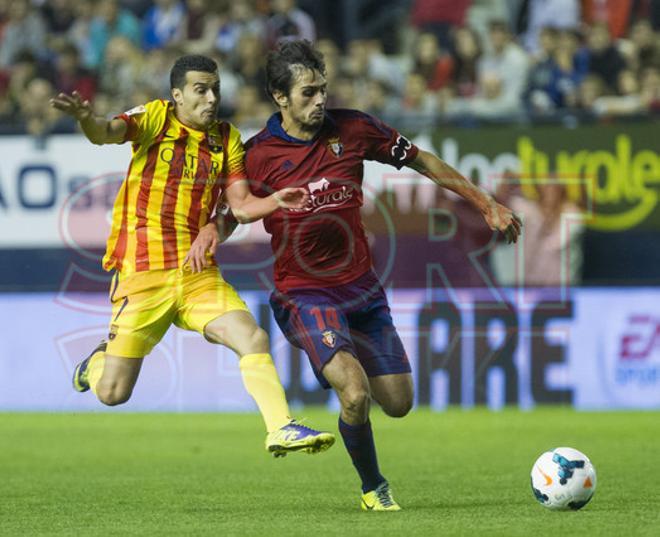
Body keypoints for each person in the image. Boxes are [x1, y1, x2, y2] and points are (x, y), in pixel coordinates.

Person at [188, 40, 522, 511]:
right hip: (303, 293)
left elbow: (423, 159)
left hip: (363, 290)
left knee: (399, 402)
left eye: (322, 89)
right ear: (280, 98)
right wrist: (210, 230)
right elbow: (234, 211)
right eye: (307, 93)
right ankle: (373, 488)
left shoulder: (355, 128)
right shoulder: (258, 154)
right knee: (355, 392)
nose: (320, 100)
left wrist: (486, 203)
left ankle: (348, 378)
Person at [49, 54, 335, 458]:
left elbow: (240, 206)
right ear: (178, 95)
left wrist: (271, 200)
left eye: (215, 89)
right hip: (143, 274)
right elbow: (105, 133)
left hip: (197, 273)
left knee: (251, 336)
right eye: (201, 90)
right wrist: (86, 119)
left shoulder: (227, 138)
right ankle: (93, 365)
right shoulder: (155, 118)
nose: (212, 98)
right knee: (113, 393)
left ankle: (280, 427)